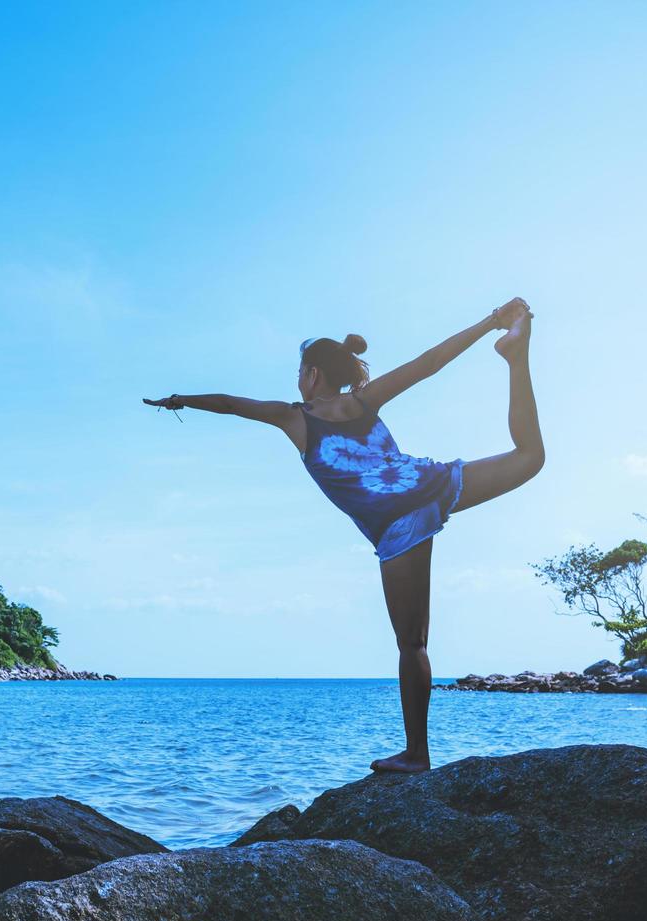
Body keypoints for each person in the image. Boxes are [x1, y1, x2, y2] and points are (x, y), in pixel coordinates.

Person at [143, 297, 543, 773]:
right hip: (430, 484)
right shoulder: (362, 401)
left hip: (398, 522)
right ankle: (516, 359)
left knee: (411, 643)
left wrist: (180, 400)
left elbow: (232, 405)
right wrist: (491, 322)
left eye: (299, 371)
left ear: (312, 374)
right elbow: (429, 363)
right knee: (529, 458)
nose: (296, 380)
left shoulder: (296, 417)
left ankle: (417, 755)